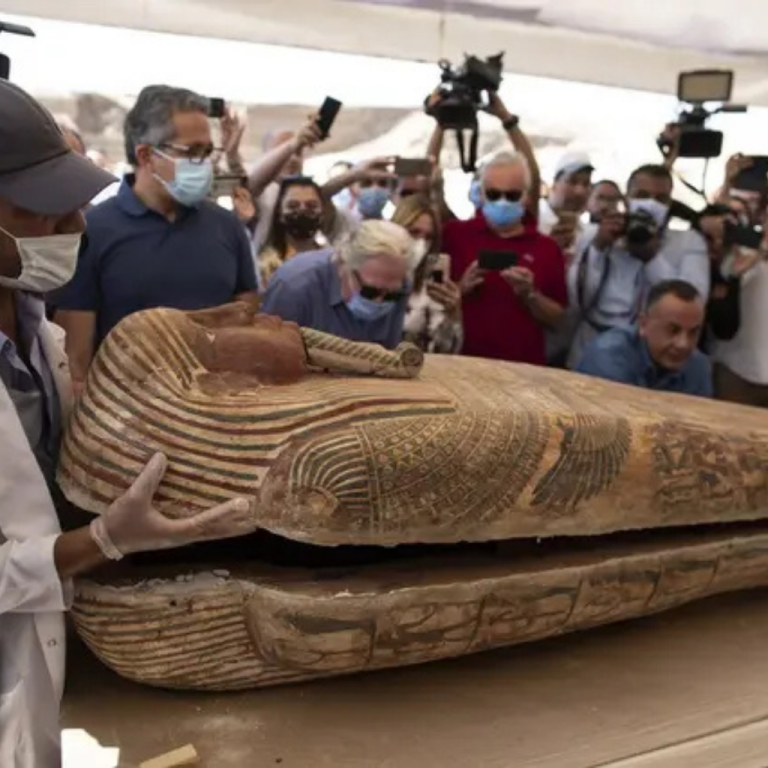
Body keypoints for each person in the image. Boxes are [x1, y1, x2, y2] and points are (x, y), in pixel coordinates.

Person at [0, 79, 257, 768]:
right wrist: (102, 541)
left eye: (76, 209)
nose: (76, 230)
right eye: (48, 214)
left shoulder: (33, 330)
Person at [52, 85, 258, 395]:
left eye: (207, 152)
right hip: (130, 420)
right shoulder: (92, 231)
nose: (203, 164)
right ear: (147, 155)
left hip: (221, 414)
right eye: (192, 152)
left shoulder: (226, 226)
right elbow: (76, 363)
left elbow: (249, 322)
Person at [567, 163, 710, 369]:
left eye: (660, 199)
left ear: (670, 204)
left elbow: (694, 301)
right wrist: (599, 247)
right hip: (590, 344)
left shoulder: (687, 243)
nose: (650, 204)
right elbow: (576, 299)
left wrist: (651, 257)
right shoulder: (593, 234)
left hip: (647, 355)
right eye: (642, 195)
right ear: (626, 198)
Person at [443, 151, 567, 365]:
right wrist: (461, 288)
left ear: (526, 196)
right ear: (480, 193)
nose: (502, 202)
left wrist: (530, 295)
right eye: (493, 194)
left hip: (523, 372)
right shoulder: (454, 235)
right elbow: (426, 300)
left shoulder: (547, 248)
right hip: (461, 365)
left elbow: (558, 319)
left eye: (511, 195)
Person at [261, 219, 413, 349]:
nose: (380, 302)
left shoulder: (400, 284)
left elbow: (389, 357)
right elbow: (268, 357)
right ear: (342, 264)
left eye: (391, 295)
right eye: (370, 291)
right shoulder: (293, 288)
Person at [576, 280, 712, 397]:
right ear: (643, 324)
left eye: (693, 333)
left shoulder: (698, 366)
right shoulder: (608, 356)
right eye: (673, 330)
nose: (683, 344)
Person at [391, 196, 462, 353]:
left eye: (428, 237)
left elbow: (444, 351)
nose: (421, 244)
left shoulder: (428, 288)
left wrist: (452, 316)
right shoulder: (369, 275)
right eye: (413, 232)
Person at [258, 176, 325, 287]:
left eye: (311, 206)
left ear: (323, 212)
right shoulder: (267, 265)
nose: (302, 211)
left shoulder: (334, 260)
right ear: (280, 213)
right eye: (293, 206)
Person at [538, 150, 594, 256]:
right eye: (572, 182)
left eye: (586, 184)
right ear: (554, 183)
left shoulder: (586, 233)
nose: (580, 192)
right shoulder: (533, 219)